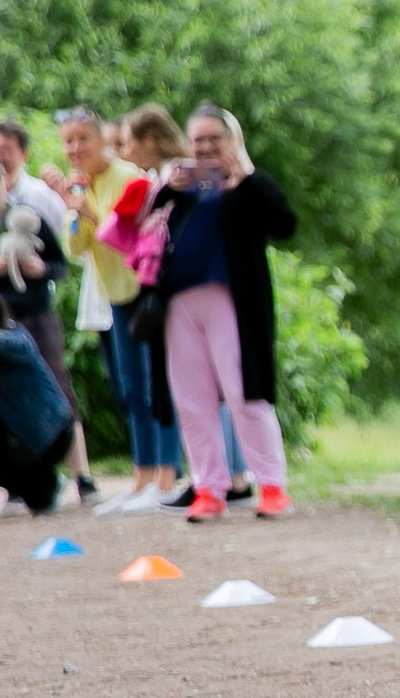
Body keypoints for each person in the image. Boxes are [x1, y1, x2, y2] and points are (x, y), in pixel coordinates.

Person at [136, 103, 296, 522]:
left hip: (230, 300)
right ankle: (209, 488)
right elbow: (141, 233)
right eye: (198, 139)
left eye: (214, 138)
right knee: (192, 400)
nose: (206, 147)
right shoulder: (178, 187)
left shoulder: (246, 184)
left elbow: (286, 224)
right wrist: (169, 190)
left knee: (245, 393)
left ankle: (272, 485)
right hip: (178, 305)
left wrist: (245, 178)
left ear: (231, 140)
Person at [0, 149, 95, 505]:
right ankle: (25, 478)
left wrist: (40, 270)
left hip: (35, 316)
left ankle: (82, 476)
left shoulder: (31, 218)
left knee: (58, 388)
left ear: (3, 179)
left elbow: (60, 265)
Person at [53, 106, 171, 512]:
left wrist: (85, 209)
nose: (75, 148)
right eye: (68, 141)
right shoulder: (87, 183)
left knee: (157, 385)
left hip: (145, 290)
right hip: (114, 294)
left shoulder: (127, 176)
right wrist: (71, 205)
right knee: (130, 389)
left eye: (83, 138)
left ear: (102, 138)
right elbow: (76, 247)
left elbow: (128, 235)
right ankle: (142, 478)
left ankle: (166, 477)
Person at [0, 284, 72, 517]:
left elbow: (19, 345)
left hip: (47, 431)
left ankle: (43, 480)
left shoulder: (15, 335)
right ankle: (42, 487)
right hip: (8, 436)